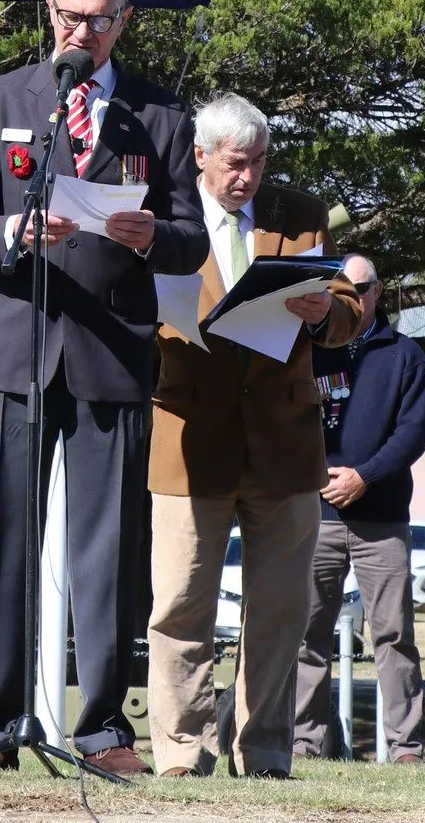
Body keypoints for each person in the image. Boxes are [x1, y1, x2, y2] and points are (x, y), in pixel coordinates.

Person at [0, 0, 207, 773]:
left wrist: (150, 235)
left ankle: (100, 729)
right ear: (46, 14)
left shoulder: (161, 117)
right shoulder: (5, 101)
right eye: (66, 14)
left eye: (96, 18)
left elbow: (191, 242)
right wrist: (15, 233)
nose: (79, 30)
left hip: (110, 355)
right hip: (15, 353)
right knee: (4, 545)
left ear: (122, 22)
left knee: (106, 555)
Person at [147, 93, 362, 778]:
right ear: (200, 157)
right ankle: (182, 751)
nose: (248, 177)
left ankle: (264, 749)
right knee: (180, 603)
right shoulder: (163, 212)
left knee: (280, 611)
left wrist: (324, 309)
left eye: (259, 162)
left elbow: (351, 304)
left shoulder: (299, 215)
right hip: (188, 435)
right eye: (235, 164)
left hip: (283, 440)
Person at [293, 252, 425, 764]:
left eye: (358, 290)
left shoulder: (405, 356)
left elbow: (411, 435)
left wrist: (364, 477)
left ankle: (405, 749)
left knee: (393, 636)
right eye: (338, 292)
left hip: (382, 519)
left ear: (377, 291)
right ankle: (302, 744)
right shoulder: (303, 349)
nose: (348, 301)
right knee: (306, 633)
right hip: (314, 516)